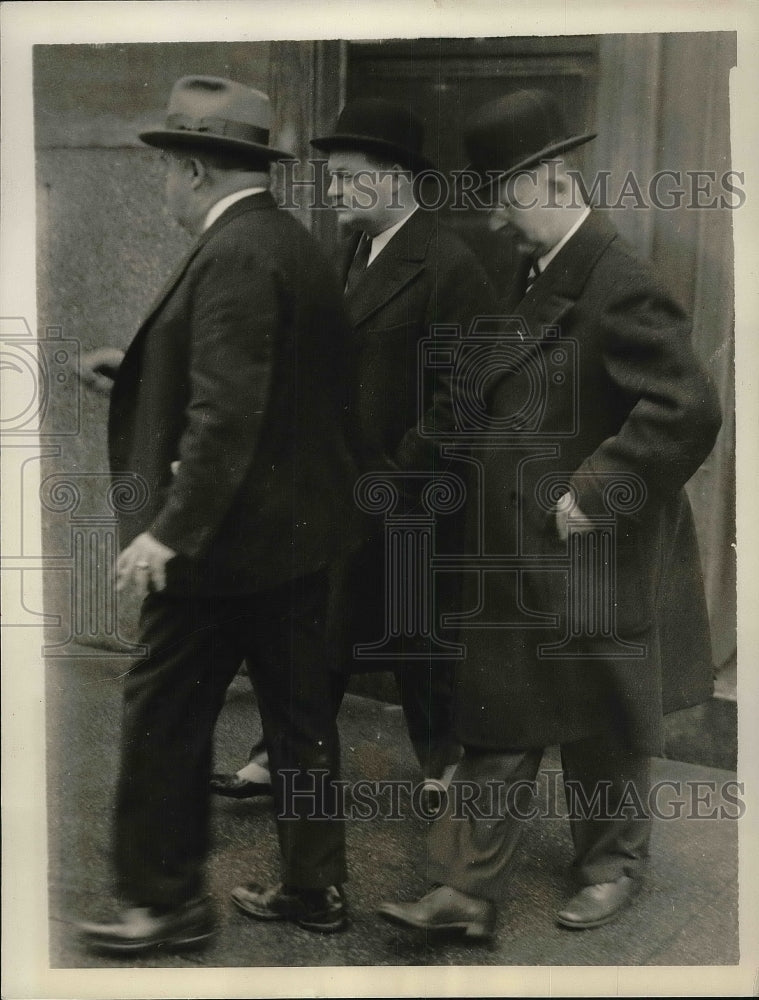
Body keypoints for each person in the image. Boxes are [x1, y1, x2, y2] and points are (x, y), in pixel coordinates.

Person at [377, 88, 722, 939]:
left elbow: (685, 409)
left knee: (603, 720)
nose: (494, 218)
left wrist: (595, 493)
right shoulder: (534, 276)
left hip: (591, 548)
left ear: (547, 181)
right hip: (520, 552)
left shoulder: (619, 281)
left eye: (500, 196)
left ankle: (613, 867)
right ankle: (462, 895)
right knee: (499, 715)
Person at [77, 75, 360, 953]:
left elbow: (229, 416)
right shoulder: (285, 242)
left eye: (166, 168)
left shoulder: (232, 252)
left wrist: (167, 532)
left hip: (224, 548)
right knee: (299, 720)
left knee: (163, 715)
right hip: (297, 538)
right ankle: (316, 888)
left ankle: (162, 903)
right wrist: (138, 373)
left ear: (194, 170)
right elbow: (259, 386)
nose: (162, 185)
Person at [210, 98, 497, 809]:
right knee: (318, 628)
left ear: (395, 179)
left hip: (414, 489)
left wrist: (398, 476)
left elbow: (463, 393)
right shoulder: (344, 251)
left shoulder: (448, 264)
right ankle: (280, 756)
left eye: (345, 178)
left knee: (419, 632)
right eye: (331, 179)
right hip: (338, 482)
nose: (331, 192)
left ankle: (444, 765)